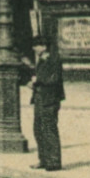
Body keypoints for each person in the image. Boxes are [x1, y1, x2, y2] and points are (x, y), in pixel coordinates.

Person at [29, 38, 64, 171]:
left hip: (50, 99)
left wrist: (37, 81)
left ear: (43, 46)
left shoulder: (54, 60)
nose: (34, 49)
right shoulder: (42, 60)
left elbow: (54, 79)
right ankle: (43, 159)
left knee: (49, 129)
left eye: (36, 46)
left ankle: (54, 161)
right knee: (38, 129)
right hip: (40, 98)